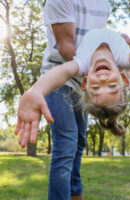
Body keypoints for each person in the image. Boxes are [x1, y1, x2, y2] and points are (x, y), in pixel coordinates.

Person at [16, 27, 130, 146]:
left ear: (86, 83)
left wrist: (37, 90)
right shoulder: (124, 56)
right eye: (113, 86)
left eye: (95, 89)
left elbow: (62, 72)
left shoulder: (83, 63)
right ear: (123, 79)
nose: (103, 81)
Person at [22, 1, 111, 200]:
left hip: (85, 81)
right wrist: (105, 66)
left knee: (79, 141)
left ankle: (74, 193)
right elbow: (65, 46)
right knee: (66, 143)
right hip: (57, 77)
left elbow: (96, 40)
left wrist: (115, 44)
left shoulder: (104, 4)